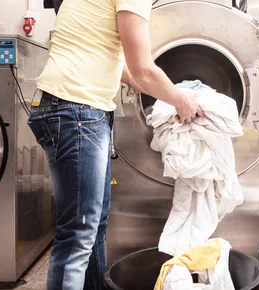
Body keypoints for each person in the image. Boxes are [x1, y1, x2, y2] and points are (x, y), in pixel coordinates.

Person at [28, 0, 204, 289]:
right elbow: (144, 69)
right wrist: (180, 100)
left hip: (73, 108)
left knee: (92, 226)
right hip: (77, 110)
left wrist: (168, 92)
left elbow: (122, 66)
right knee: (78, 234)